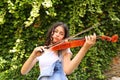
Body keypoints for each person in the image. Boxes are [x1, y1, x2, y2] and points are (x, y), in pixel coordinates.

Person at [21, 22, 96, 80]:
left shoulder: (64, 50)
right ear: (51, 32)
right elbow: (24, 71)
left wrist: (85, 47)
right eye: (56, 31)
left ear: (64, 37)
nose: (57, 35)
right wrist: (33, 55)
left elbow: (68, 70)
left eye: (61, 34)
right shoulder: (41, 51)